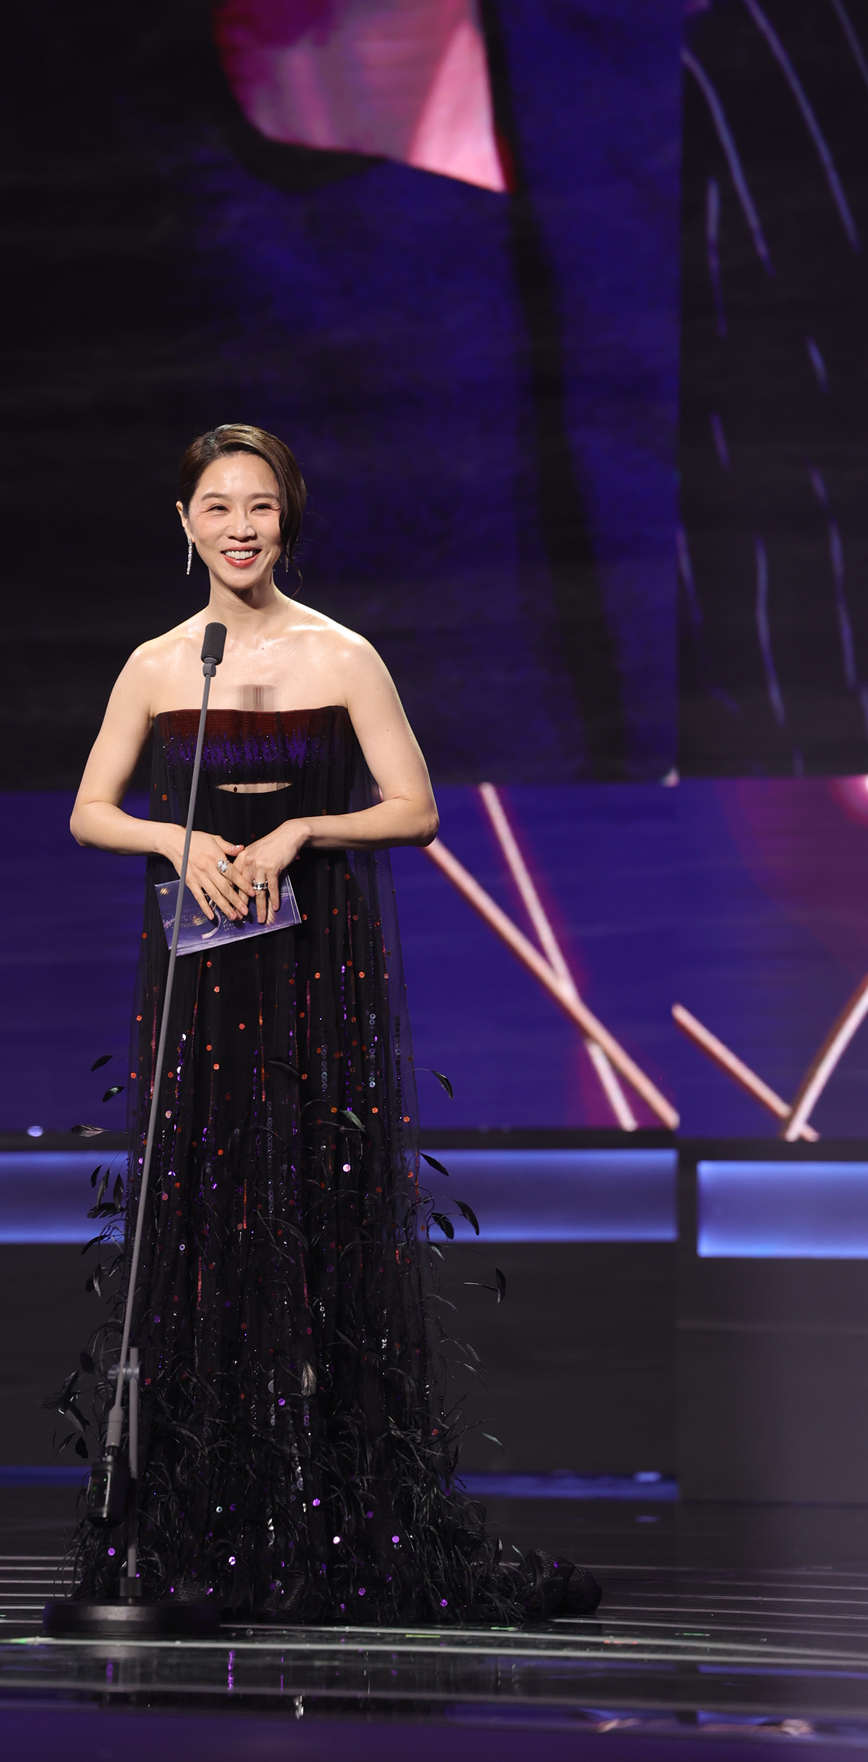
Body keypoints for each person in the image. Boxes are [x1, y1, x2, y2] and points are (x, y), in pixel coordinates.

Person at [67, 424, 600, 1624]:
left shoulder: (343, 653)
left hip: (314, 961)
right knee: (209, 1208)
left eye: (259, 505)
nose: (239, 526)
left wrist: (306, 828)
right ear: (185, 523)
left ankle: (336, 1511)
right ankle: (202, 1511)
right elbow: (91, 810)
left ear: (287, 519)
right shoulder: (161, 664)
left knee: (316, 1195)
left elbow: (414, 809)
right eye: (217, 506)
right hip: (205, 972)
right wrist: (176, 840)